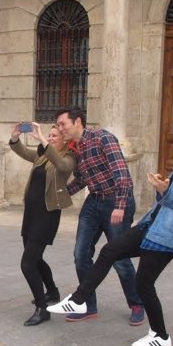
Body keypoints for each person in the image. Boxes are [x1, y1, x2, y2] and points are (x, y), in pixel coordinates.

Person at [49, 119, 173, 346]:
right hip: (150, 227)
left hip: (166, 238)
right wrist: (161, 192)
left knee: (144, 283)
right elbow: (166, 203)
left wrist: (164, 192)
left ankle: (160, 336)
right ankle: (78, 300)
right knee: (110, 251)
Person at [55, 108, 145, 325]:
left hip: (116, 201)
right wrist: (58, 196)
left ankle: (137, 303)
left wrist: (120, 206)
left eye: (62, 124)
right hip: (93, 201)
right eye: (58, 125)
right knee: (81, 254)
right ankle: (87, 305)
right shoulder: (75, 149)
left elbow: (122, 173)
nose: (59, 129)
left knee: (119, 257)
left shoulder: (103, 138)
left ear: (77, 122)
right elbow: (83, 179)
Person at [9, 122, 76, 326]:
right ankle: (52, 292)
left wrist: (44, 141)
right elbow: (23, 152)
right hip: (31, 214)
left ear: (65, 140)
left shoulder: (68, 158)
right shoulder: (43, 155)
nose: (51, 138)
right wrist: (14, 137)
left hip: (47, 215)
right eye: (50, 135)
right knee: (36, 259)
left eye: (55, 135)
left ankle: (42, 308)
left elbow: (63, 168)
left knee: (27, 263)